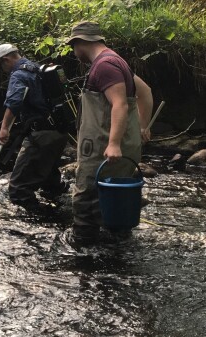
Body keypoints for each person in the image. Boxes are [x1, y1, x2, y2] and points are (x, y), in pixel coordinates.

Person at [65, 21, 152, 244]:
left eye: (73, 47)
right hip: (125, 145)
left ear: (80, 42)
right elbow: (146, 92)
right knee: (114, 198)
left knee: (85, 200)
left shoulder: (103, 66)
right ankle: (118, 248)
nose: (74, 53)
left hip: (103, 147)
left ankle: (83, 251)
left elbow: (120, 105)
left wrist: (113, 143)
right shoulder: (117, 61)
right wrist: (143, 126)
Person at [0, 43, 70, 209]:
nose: (1, 69)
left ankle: (39, 222)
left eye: (0, 65)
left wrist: (4, 128)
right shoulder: (37, 67)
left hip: (41, 136)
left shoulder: (18, 75)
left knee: (18, 189)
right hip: (59, 133)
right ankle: (64, 212)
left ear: (6, 59)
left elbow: (14, 102)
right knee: (50, 183)